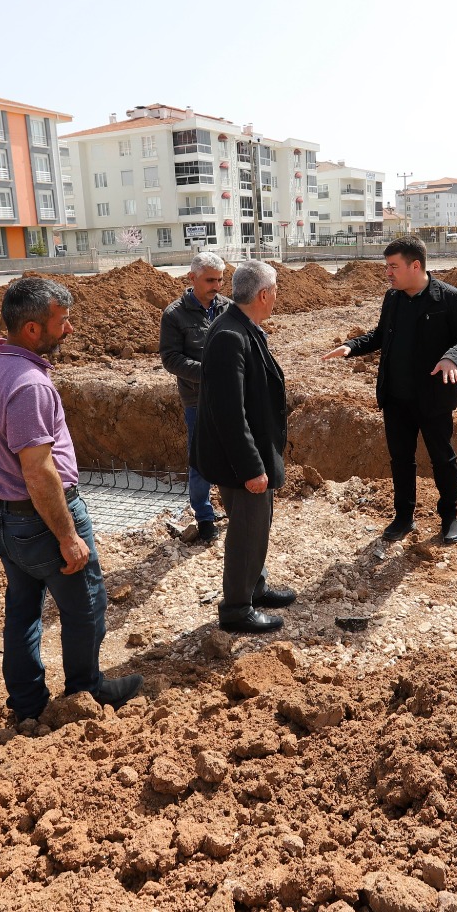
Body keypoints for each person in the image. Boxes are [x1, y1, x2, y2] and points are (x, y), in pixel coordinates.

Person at [0, 278, 143, 720]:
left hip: (2, 514)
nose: (69, 329)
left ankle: (27, 703)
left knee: (23, 608)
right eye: (61, 321)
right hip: (39, 519)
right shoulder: (29, 385)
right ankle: (87, 690)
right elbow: (38, 471)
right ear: (31, 329)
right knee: (86, 606)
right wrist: (67, 536)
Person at [322, 236, 457, 545]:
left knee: (442, 458)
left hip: (433, 398)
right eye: (386, 267)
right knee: (401, 459)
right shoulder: (392, 298)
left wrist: (452, 357)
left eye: (393, 266)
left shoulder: (449, 297)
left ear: (415, 265)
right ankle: (404, 517)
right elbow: (380, 335)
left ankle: (449, 516)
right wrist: (351, 346)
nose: (388, 273)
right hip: (395, 397)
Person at [192, 260, 296, 634]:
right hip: (240, 460)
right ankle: (237, 608)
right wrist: (252, 467)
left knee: (256, 527)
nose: (277, 296)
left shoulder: (241, 326)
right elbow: (229, 413)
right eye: (276, 290)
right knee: (246, 534)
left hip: (250, 451)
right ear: (264, 294)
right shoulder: (230, 336)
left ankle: (255, 587)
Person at [158, 251, 232, 544]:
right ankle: (204, 516)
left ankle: (233, 507)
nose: (217, 286)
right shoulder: (174, 314)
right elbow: (170, 358)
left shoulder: (227, 308)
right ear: (192, 278)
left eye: (220, 280)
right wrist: (209, 373)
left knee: (231, 453)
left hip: (229, 396)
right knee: (201, 460)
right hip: (197, 399)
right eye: (210, 280)